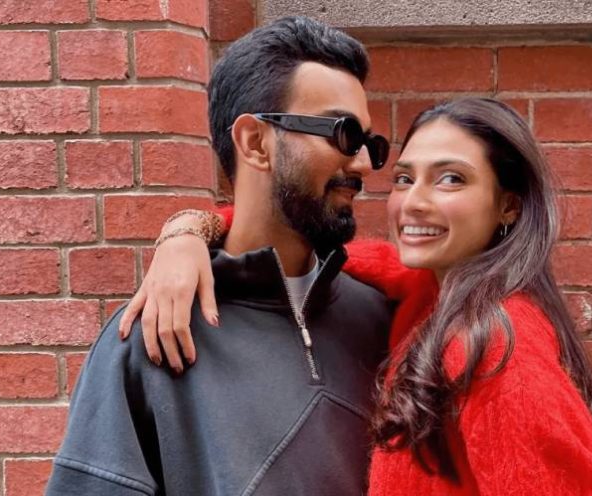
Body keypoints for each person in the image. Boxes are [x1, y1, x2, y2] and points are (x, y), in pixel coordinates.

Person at [126, 98, 592, 495]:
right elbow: (309, 249)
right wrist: (188, 233)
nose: (414, 202)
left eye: (451, 179)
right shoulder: (430, 288)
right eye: (405, 178)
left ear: (508, 205)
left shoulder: (495, 345)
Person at [45, 16, 394, 495]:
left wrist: (187, 228)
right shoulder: (153, 334)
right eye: (343, 134)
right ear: (255, 142)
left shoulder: (386, 322)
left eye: (370, 144)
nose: (363, 164)